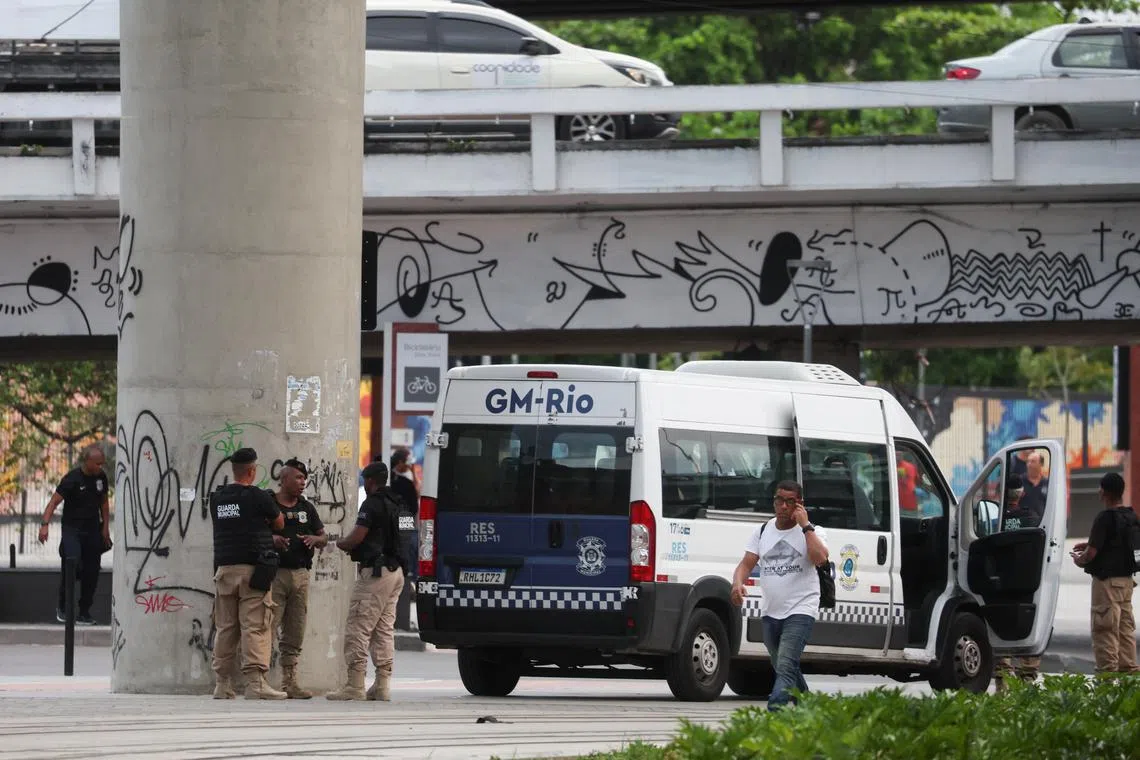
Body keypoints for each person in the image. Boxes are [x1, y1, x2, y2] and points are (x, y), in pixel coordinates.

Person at [730, 480, 830, 711]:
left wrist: (805, 526)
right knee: (785, 666)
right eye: (779, 500)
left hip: (801, 609)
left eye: (789, 501)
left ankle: (774, 712)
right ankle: (811, 709)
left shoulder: (814, 531)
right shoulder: (763, 530)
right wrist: (737, 584)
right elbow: (745, 565)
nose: (783, 506)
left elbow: (821, 559)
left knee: (785, 665)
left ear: (799, 504)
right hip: (771, 611)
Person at [210, 447, 287, 700]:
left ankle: (222, 684)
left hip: (224, 570)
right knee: (255, 626)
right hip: (253, 571)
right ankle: (256, 684)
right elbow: (279, 523)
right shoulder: (257, 496)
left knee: (225, 627)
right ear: (252, 471)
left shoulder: (218, 498)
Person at [327, 461, 406, 702]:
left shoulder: (371, 504)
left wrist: (335, 544)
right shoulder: (400, 504)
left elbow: (357, 537)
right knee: (383, 629)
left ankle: (355, 684)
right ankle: (382, 685)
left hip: (375, 573)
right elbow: (408, 535)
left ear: (370, 481)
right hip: (397, 573)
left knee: (358, 627)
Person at [268, 458, 327, 699]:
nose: (302, 483)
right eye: (298, 478)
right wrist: (273, 539)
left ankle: (289, 681)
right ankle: (259, 679)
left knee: (295, 629)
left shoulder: (306, 508)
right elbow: (256, 533)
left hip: (301, 574)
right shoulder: (270, 504)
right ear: (283, 479)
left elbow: (323, 537)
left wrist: (315, 540)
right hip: (275, 574)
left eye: (304, 478)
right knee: (266, 627)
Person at [1071, 472, 1139, 675]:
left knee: (1105, 631)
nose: (1099, 491)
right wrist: (1089, 544)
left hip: (1106, 585)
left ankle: (1107, 682)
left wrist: (1078, 559)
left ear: (1106, 492)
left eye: (1101, 488)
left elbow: (1091, 554)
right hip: (1126, 584)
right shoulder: (1131, 516)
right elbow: (1116, 544)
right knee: (1125, 631)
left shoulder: (1105, 517)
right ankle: (1129, 681)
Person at [38, 445, 111, 626]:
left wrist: (105, 528)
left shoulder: (100, 477)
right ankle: (63, 606)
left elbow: (104, 504)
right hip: (72, 530)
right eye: (97, 463)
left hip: (92, 530)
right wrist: (44, 525)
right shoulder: (72, 479)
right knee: (72, 563)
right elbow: (53, 502)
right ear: (87, 462)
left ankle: (84, 612)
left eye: (102, 463)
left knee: (92, 571)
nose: (101, 467)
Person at [993, 474, 1041, 690]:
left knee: (1000, 629)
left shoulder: (996, 519)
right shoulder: (1032, 518)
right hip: (1026, 583)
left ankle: (1003, 686)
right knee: (1027, 628)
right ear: (1021, 493)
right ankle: (1028, 681)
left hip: (1002, 584)